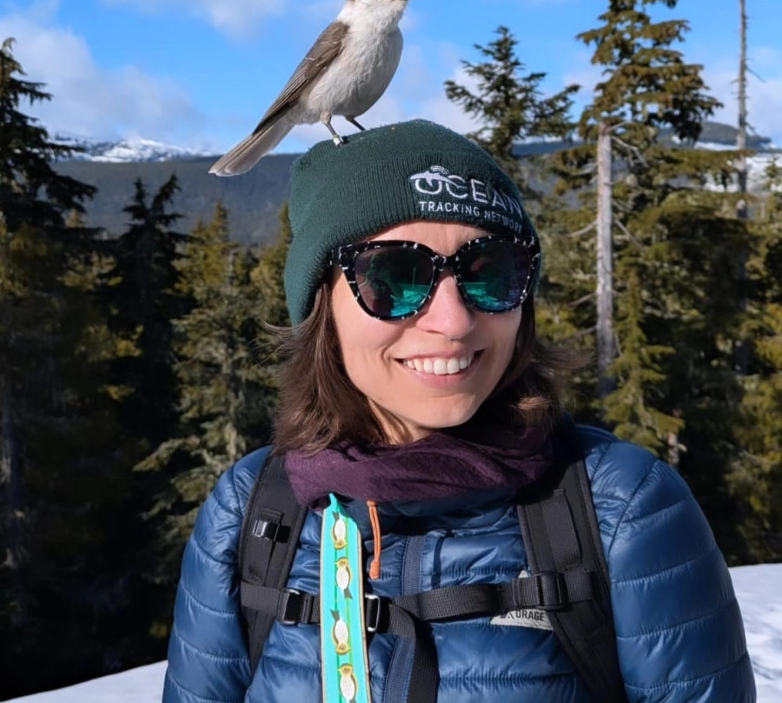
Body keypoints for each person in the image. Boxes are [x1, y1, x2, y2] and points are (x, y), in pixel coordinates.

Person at [162, 120, 755, 703]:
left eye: (489, 272)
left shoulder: (624, 508)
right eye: (392, 276)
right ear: (321, 307)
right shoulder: (251, 512)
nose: (453, 321)